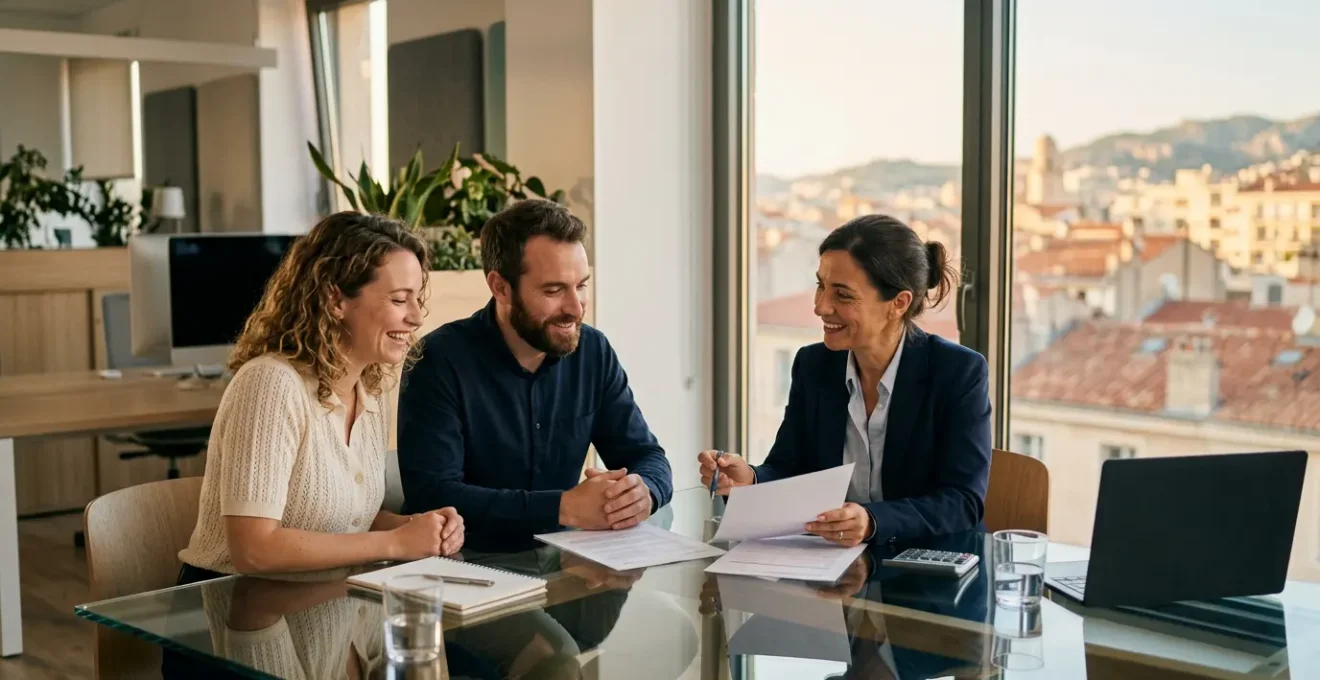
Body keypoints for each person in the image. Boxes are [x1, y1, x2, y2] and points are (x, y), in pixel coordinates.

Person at [175, 212, 465, 587]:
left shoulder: (370, 391)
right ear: (335, 299)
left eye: (416, 300)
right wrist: (393, 543)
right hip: (232, 609)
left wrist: (417, 528)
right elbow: (253, 549)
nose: (414, 317)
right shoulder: (271, 384)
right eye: (398, 299)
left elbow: (345, 517)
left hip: (320, 599)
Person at [698, 214, 991, 547]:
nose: (820, 307)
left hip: (930, 570)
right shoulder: (814, 365)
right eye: (821, 285)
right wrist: (750, 480)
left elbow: (962, 501)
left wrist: (873, 521)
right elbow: (790, 467)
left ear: (898, 303)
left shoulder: (957, 372)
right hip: (834, 565)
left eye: (843, 295)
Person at [398, 198, 673, 552]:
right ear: (500, 287)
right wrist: (564, 507)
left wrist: (643, 492)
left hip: (567, 569)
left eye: (582, 285)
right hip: (463, 571)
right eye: (553, 290)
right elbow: (433, 496)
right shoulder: (436, 361)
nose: (575, 308)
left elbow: (647, 455)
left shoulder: (593, 351)